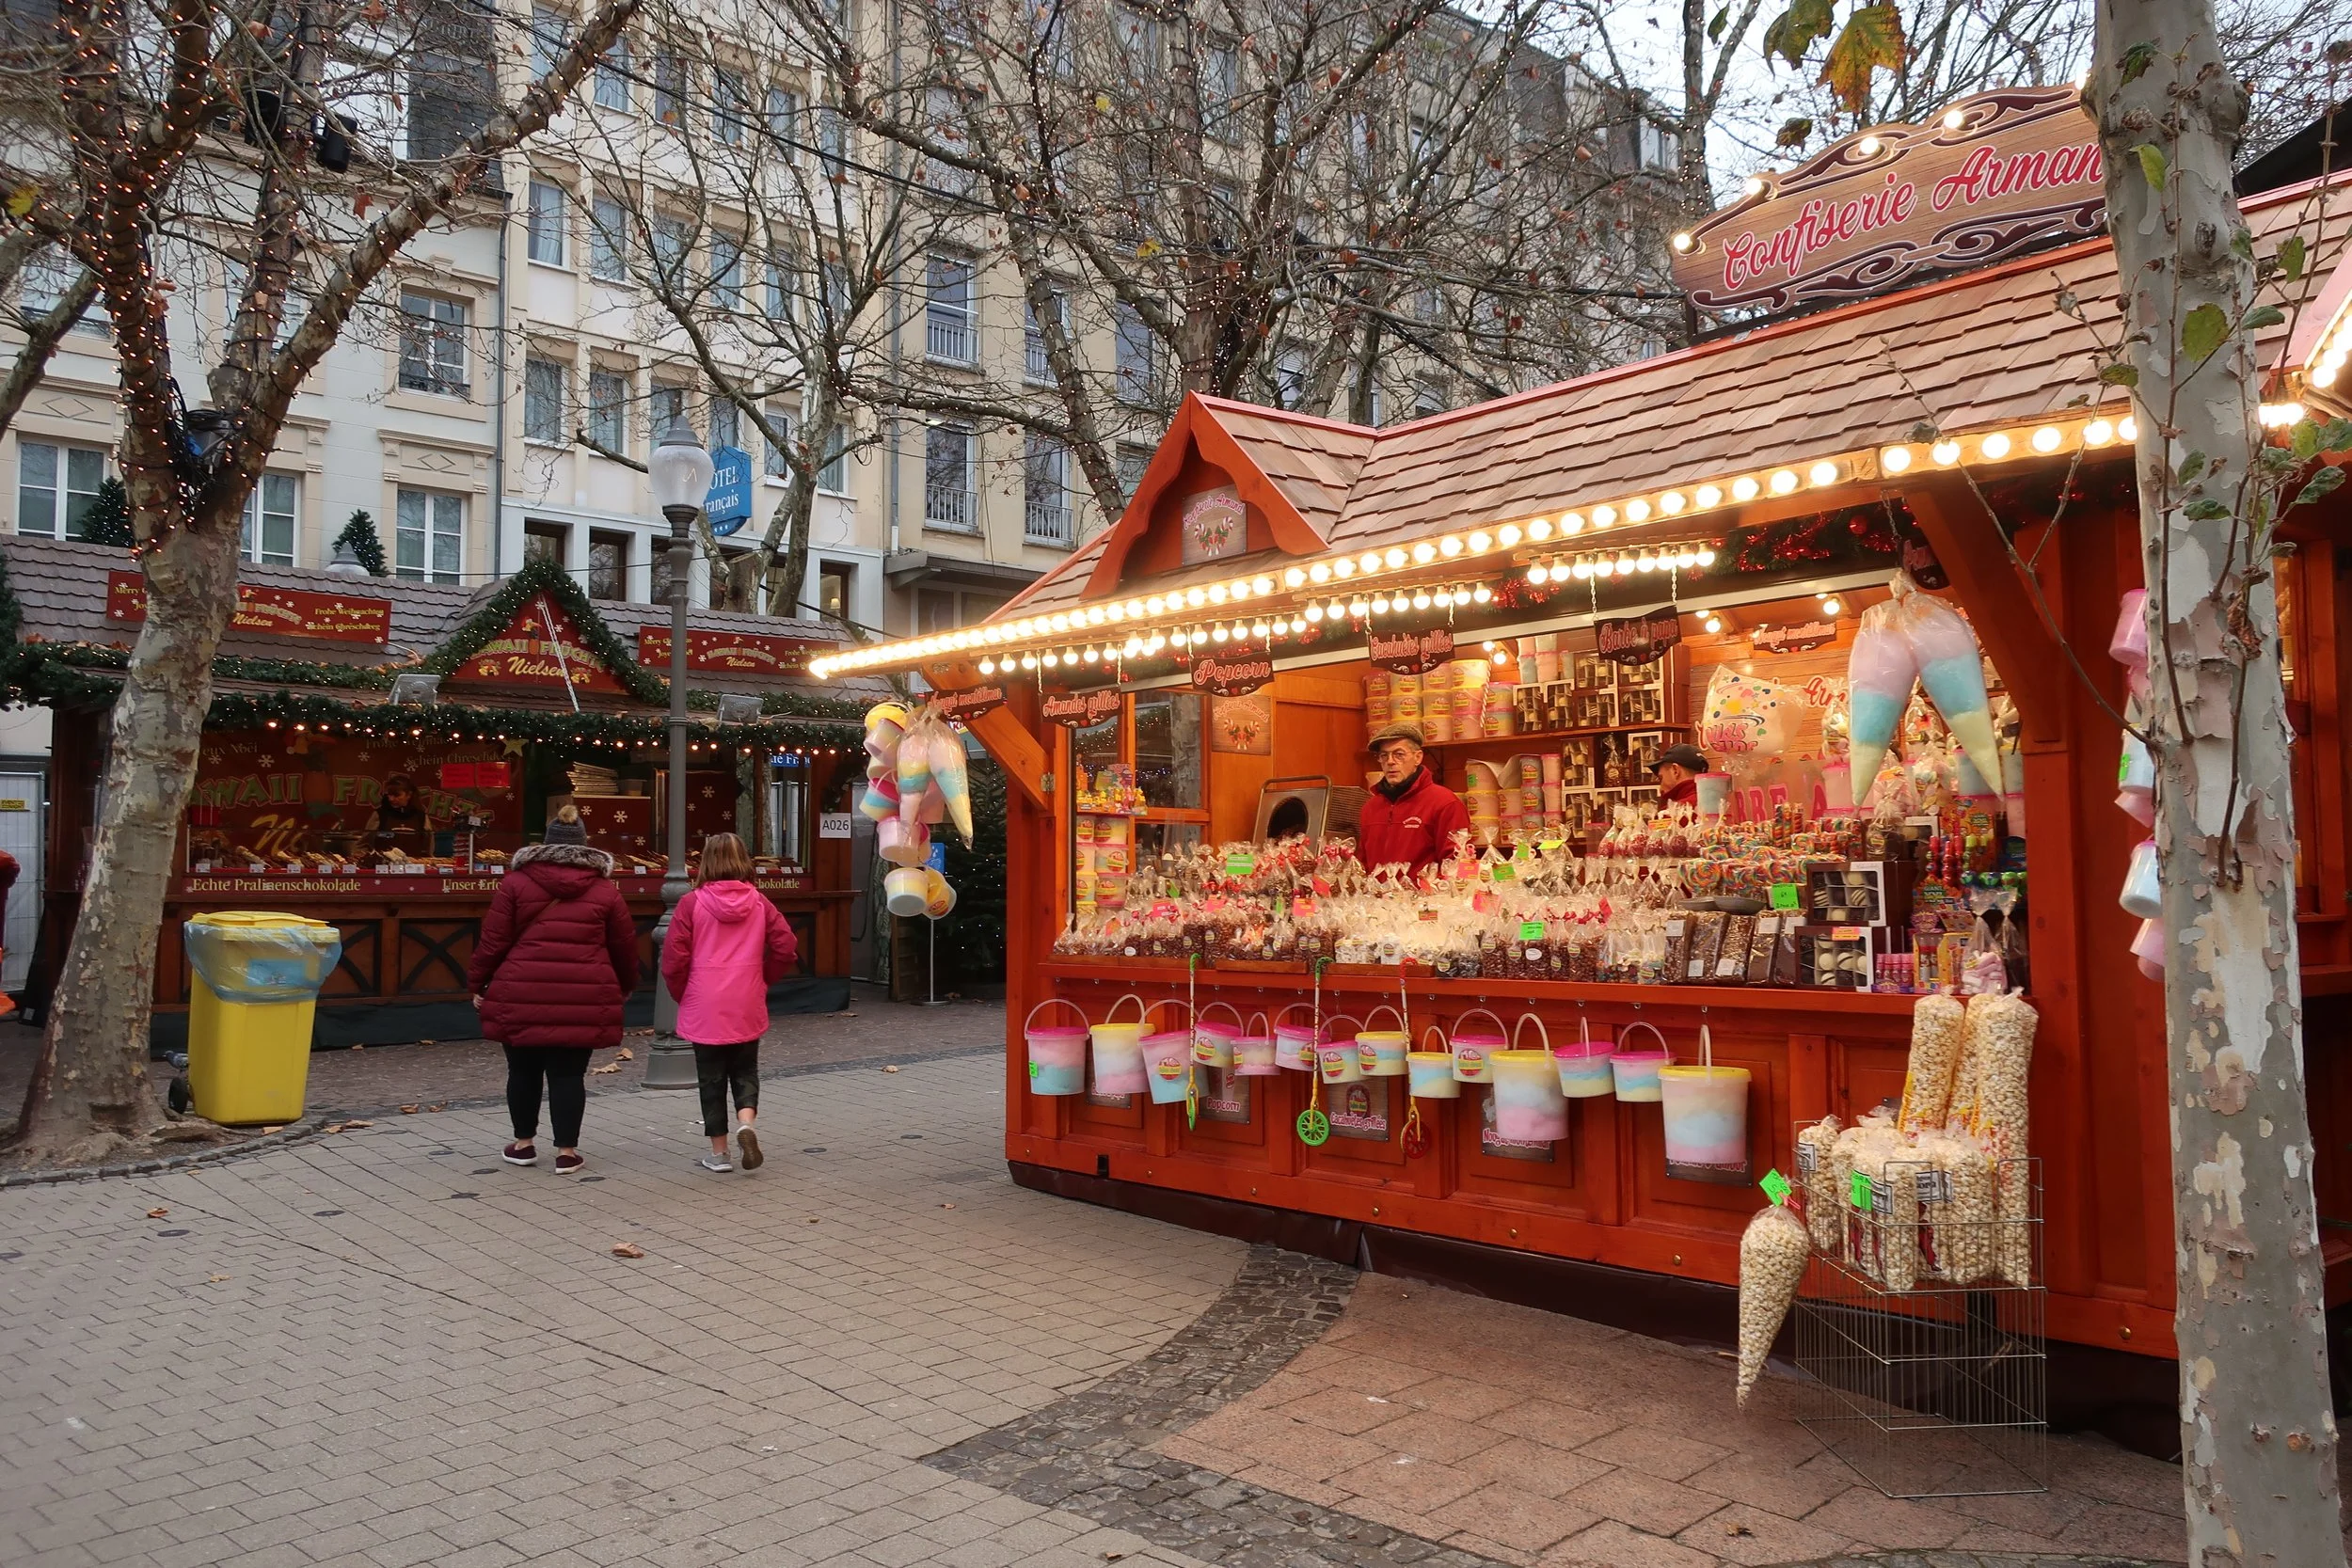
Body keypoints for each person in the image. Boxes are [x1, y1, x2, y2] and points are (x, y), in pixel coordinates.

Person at [467, 837, 640, 1175]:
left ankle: (523, 1145)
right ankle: (566, 1152)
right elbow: (624, 946)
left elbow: (493, 940)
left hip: (519, 990)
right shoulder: (606, 891)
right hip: (583, 995)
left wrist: (478, 983)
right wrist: (625, 986)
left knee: (522, 1071)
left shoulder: (515, 883)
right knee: (568, 1075)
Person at [661, 832, 799, 1174]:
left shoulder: (691, 903)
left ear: (706, 861)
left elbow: (674, 960)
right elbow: (786, 946)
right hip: (746, 995)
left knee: (710, 1077)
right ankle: (747, 1123)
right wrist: (764, 976)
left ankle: (719, 1153)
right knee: (745, 1069)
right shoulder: (759, 902)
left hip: (704, 997)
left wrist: (684, 993)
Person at [1356, 723, 1470, 878]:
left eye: (1399, 754)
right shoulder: (1370, 808)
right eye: (1384, 756)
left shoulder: (1445, 803)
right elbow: (1362, 865)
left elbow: (1457, 864)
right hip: (1375, 900)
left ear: (1418, 757)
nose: (1390, 762)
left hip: (1427, 900)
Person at [367, 773, 431, 842]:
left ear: (409, 795)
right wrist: (391, 835)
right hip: (384, 852)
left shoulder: (421, 816)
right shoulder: (380, 814)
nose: (391, 799)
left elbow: (429, 844)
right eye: (389, 794)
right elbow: (368, 838)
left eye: (396, 795)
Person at [1655, 743, 1708, 808]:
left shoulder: (1671, 813)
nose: (1661, 789)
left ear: (1675, 770)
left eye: (1661, 778)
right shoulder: (1719, 803)